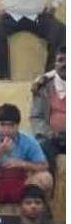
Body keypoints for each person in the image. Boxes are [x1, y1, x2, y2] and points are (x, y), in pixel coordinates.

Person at [0, 103, 52, 213]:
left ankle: (36, 218)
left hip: (22, 184)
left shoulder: (28, 140)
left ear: (18, 126)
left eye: (11, 126)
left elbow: (44, 165)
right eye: (2, 125)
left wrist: (22, 164)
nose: (6, 130)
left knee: (45, 178)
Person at [30, 46, 65, 180]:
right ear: (54, 65)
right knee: (41, 145)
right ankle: (48, 186)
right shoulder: (43, 87)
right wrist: (50, 133)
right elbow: (36, 117)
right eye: (60, 60)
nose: (64, 64)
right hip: (50, 137)